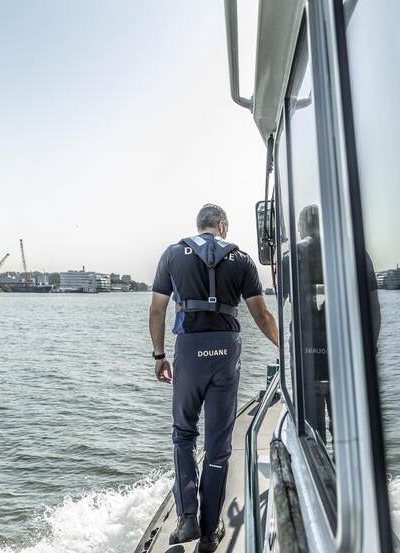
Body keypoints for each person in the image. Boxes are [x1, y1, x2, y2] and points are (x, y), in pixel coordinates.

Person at [148, 203, 278, 551]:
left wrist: (160, 356)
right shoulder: (243, 259)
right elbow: (262, 315)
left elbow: (158, 309)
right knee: (218, 448)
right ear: (222, 225)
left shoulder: (173, 254)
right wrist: (287, 349)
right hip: (225, 351)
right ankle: (210, 531)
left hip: (189, 351)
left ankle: (187, 517)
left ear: (200, 225)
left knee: (183, 434)